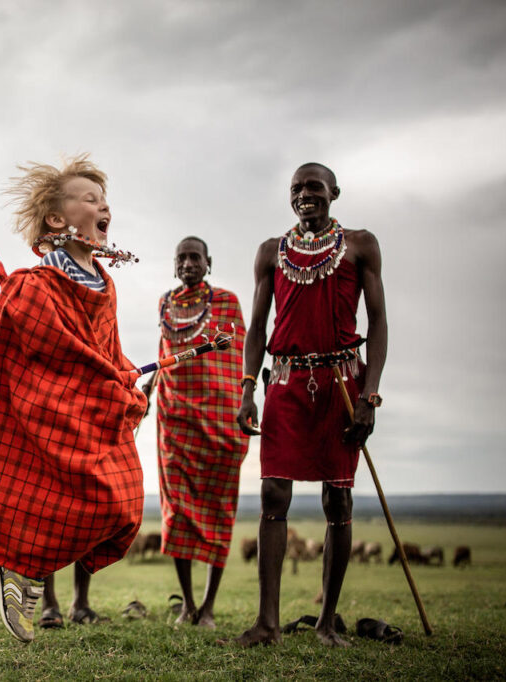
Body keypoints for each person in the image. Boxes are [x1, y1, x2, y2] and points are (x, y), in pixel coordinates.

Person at [0, 155, 147, 642]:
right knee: (55, 498)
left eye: (106, 201)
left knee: (121, 501)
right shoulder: (33, 287)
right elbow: (58, 353)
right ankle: (22, 569)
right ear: (57, 220)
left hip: (94, 409)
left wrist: (126, 381)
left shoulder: (105, 282)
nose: (105, 208)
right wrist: (109, 382)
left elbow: (107, 349)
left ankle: (26, 566)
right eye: (91, 199)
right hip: (47, 408)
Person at [233, 163, 387, 647]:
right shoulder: (270, 252)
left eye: (314, 186)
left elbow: (379, 323)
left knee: (337, 498)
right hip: (285, 381)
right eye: (296, 188)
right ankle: (267, 623)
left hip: (343, 383)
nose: (305, 194)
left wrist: (369, 396)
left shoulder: (361, 244)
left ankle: (325, 622)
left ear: (333, 193)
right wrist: (247, 389)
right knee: (273, 494)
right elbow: (257, 328)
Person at [141, 236, 249, 628]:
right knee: (177, 511)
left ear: (208, 262)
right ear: (174, 265)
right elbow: (165, 351)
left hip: (220, 419)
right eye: (181, 258)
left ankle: (209, 606)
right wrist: (149, 387)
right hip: (175, 420)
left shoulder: (227, 303)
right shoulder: (165, 304)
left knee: (219, 507)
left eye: (195, 257)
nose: (188, 263)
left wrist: (247, 400)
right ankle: (187, 604)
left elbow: (240, 357)